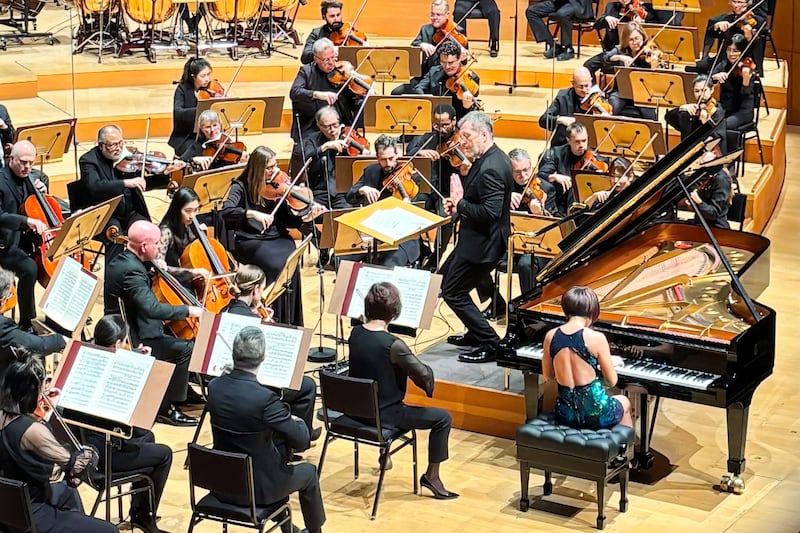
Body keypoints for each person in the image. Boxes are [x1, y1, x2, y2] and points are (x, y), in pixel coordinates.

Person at [207, 326, 325, 533]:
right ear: (263, 358)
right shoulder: (264, 399)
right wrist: (294, 419)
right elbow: (301, 441)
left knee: (274, 450)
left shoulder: (214, 387)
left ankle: (288, 529)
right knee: (308, 473)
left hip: (221, 484)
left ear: (234, 354)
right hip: (257, 490)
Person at [348, 282, 457, 499]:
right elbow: (425, 377)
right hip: (385, 416)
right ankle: (432, 477)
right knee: (443, 418)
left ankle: (383, 455)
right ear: (395, 313)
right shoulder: (393, 345)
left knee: (378, 388)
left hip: (355, 411)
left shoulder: (355, 334)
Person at [0, 349, 118, 533]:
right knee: (109, 531)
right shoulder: (33, 431)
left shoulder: (6, 418)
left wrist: (45, 416)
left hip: (7, 510)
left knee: (67, 491)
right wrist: (91, 450)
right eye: (42, 386)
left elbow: (22, 438)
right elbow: (78, 466)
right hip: (32, 516)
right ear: (32, 391)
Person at [104, 220, 203, 426]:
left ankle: (180, 386)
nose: (159, 247)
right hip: (134, 336)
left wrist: (191, 273)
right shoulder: (132, 272)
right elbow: (152, 309)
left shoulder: (127, 259)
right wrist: (188, 310)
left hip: (136, 320)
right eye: (157, 244)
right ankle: (167, 406)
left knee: (177, 333)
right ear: (143, 246)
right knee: (185, 348)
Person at [83, 314, 174, 533]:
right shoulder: (114, 378)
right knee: (164, 454)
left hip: (85, 450)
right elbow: (138, 425)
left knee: (149, 440)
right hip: (106, 457)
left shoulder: (86, 357)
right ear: (117, 344)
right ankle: (144, 516)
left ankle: (138, 510)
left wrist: (133, 355)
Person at [221, 146, 326, 325]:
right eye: (269, 168)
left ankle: (290, 321)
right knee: (277, 265)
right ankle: (272, 318)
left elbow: (288, 221)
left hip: (276, 237)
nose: (274, 171)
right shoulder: (240, 186)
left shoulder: (276, 187)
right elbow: (227, 211)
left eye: (275, 166)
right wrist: (251, 213)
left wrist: (308, 217)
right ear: (257, 168)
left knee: (290, 263)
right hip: (249, 240)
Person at [440, 111, 512, 364]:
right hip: (476, 240)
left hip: (483, 245)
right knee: (450, 284)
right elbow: (478, 201)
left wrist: (461, 206)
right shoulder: (491, 157)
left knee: (452, 292)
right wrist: (460, 205)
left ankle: (491, 342)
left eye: (467, 136)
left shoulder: (492, 167)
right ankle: (474, 332)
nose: (463, 142)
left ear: (483, 134)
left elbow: (491, 212)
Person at [220, 265, 321, 443]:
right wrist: (267, 323)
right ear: (256, 289)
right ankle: (297, 438)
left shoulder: (225, 310)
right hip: (254, 384)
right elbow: (268, 354)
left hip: (225, 380)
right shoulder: (253, 323)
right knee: (307, 385)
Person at [78, 125, 183, 261]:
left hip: (131, 212)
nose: (119, 148)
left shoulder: (127, 158)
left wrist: (166, 174)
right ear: (101, 145)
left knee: (150, 234)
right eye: (113, 145)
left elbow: (142, 183)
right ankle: (114, 277)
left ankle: (151, 272)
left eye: (121, 142)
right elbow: (95, 187)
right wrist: (126, 183)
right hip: (107, 215)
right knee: (116, 237)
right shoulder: (89, 161)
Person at [542, 286, 632, 429]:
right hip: (596, 414)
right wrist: (606, 364)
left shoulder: (550, 336)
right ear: (592, 311)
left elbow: (548, 377)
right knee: (623, 401)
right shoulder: (596, 337)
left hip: (565, 414)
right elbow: (612, 381)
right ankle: (625, 449)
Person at [343, 135, 422, 267]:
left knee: (389, 265)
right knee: (339, 259)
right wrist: (363, 189)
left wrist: (408, 205)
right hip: (373, 233)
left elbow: (418, 210)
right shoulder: (370, 171)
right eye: (383, 160)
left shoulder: (410, 176)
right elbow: (350, 197)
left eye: (391, 158)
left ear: (397, 154)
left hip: (401, 237)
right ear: (377, 158)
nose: (389, 164)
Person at [0, 141, 52, 330]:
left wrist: (43, 193)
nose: (28, 167)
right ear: (11, 158)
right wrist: (26, 221)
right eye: (23, 162)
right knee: (29, 268)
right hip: (5, 243)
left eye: (31, 163)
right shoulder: (1, 180)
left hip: (28, 241)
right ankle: (27, 322)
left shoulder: (31, 178)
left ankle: (56, 318)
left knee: (57, 258)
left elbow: (37, 207)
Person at [406, 104, 464, 269]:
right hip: (427, 189)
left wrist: (464, 164)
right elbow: (408, 153)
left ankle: (434, 260)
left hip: (447, 193)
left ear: (454, 121)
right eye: (437, 125)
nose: (441, 130)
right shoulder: (428, 138)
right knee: (410, 210)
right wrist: (420, 153)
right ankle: (421, 251)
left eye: (445, 125)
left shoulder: (461, 141)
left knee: (446, 218)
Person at [290, 37, 365, 144]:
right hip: (313, 128)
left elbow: (354, 99)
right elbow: (294, 92)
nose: (331, 63)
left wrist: (364, 91)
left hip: (341, 126)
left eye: (333, 58)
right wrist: (317, 95)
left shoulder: (342, 71)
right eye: (326, 60)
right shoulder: (306, 72)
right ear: (315, 59)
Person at [393, 0, 470, 95]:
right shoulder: (425, 29)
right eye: (432, 14)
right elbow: (414, 43)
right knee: (396, 93)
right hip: (424, 74)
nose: (434, 18)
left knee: (421, 93)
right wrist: (422, 45)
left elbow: (463, 61)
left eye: (438, 14)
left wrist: (463, 55)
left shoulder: (457, 32)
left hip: (443, 76)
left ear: (447, 14)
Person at [0, 269, 65, 379]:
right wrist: (61, 340)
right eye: (9, 296)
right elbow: (38, 346)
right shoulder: (3, 327)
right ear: (2, 301)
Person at [536, 122, 608, 217]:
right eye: (577, 142)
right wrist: (553, 176)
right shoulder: (555, 154)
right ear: (568, 140)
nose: (581, 145)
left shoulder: (596, 159)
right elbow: (540, 176)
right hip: (560, 202)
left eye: (584, 140)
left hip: (586, 204)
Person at [155, 186, 216, 290]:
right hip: (172, 283)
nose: (192, 215)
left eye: (196, 210)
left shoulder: (188, 224)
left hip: (189, 280)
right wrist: (192, 272)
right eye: (188, 211)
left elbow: (192, 253)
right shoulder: (165, 232)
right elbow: (158, 268)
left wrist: (203, 239)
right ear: (177, 210)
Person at [583, 0, 656, 77]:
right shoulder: (611, 6)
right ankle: (594, 89)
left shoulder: (641, 7)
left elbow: (652, 21)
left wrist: (642, 20)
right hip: (613, 51)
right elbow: (596, 26)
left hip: (634, 53)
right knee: (588, 65)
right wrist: (606, 19)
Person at [602, 22, 659, 119]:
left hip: (643, 94)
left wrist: (654, 63)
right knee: (611, 109)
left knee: (650, 117)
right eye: (631, 40)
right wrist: (620, 57)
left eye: (637, 38)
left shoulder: (649, 50)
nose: (635, 42)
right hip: (621, 93)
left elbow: (658, 73)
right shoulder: (621, 50)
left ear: (642, 36)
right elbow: (605, 58)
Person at [691, 0, 765, 75]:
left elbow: (756, 47)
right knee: (693, 67)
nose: (736, 5)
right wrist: (716, 27)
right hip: (723, 60)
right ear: (729, 2)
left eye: (740, 2)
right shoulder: (724, 19)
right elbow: (711, 34)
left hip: (745, 62)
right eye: (734, 2)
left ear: (748, 3)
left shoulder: (758, 22)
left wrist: (749, 36)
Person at [414, 39, 481, 120]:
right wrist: (425, 100)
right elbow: (419, 88)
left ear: (460, 58)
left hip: (458, 121)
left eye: (451, 62)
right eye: (443, 62)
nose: (447, 67)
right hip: (434, 119)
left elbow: (469, 114)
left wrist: (467, 106)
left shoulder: (471, 78)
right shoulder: (434, 71)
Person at [710, 34, 757, 151]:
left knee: (723, 125)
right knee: (707, 122)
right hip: (726, 108)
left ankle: (726, 159)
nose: (731, 54)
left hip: (742, 111)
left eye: (735, 51)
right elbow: (708, 81)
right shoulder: (723, 65)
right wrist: (714, 77)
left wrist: (746, 80)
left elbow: (746, 95)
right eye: (729, 50)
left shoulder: (747, 68)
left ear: (742, 52)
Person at [665, 74, 727, 154]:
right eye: (697, 91)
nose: (700, 94)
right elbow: (668, 117)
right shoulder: (692, 110)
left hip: (711, 152)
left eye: (704, 90)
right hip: (690, 152)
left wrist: (706, 123)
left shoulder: (717, 111)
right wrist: (681, 108)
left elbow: (717, 139)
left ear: (711, 90)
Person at [538, 66, 598, 148]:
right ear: (573, 83)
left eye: (587, 86)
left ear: (591, 81)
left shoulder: (597, 97)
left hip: (587, 146)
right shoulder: (563, 97)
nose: (584, 90)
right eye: (580, 87)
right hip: (564, 145)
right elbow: (543, 120)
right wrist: (559, 120)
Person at [169, 57, 215, 155]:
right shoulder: (182, 89)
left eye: (208, 74)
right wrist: (200, 110)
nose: (207, 79)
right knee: (198, 151)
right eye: (202, 76)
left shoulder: (211, 89)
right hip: (187, 136)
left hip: (208, 133)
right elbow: (178, 112)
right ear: (193, 76)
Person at [177, 109, 249, 171]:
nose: (212, 130)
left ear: (220, 125)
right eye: (207, 127)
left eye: (215, 125)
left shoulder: (227, 140)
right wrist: (194, 159)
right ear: (201, 129)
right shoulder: (198, 146)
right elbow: (179, 162)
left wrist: (243, 162)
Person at [525, 0, 593, 61]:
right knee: (531, 11)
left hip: (578, 4)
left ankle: (568, 48)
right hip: (559, 3)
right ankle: (553, 46)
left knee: (562, 14)